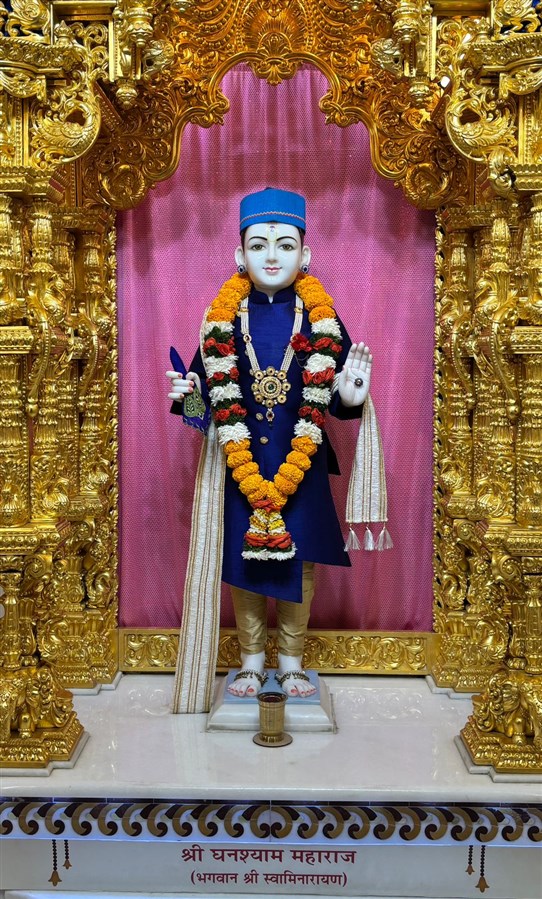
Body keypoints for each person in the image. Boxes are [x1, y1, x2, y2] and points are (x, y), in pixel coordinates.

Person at [167, 188, 373, 705]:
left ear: (306, 254)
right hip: (242, 465)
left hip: (301, 461)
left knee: (300, 559)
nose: (272, 256)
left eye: (285, 245)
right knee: (245, 560)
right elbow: (203, 405)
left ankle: (292, 661)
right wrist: (189, 396)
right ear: (240, 255)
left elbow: (340, 397)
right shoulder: (220, 319)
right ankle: (252, 661)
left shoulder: (323, 319)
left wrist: (351, 398)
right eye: (258, 246)